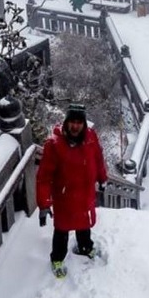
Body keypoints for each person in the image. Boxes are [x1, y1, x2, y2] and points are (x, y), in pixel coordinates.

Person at [36, 103, 107, 278]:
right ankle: (57, 259)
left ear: (83, 124)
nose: (75, 126)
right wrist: (44, 203)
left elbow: (98, 158)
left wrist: (102, 177)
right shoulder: (54, 144)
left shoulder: (90, 137)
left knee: (84, 225)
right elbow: (44, 177)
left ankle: (85, 247)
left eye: (79, 122)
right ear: (66, 122)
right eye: (72, 122)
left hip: (85, 194)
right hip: (64, 197)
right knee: (62, 230)